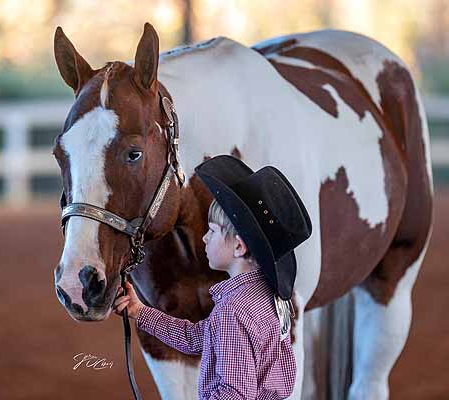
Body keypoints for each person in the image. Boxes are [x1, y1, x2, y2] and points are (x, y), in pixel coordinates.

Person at [113, 154, 312, 399]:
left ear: (239, 247)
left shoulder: (234, 311)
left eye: (213, 231)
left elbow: (233, 394)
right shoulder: (266, 297)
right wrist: (140, 311)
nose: (205, 238)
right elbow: (198, 337)